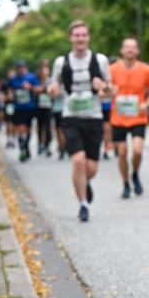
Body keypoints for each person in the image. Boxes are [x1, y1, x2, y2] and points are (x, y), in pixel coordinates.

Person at [48, 20, 111, 222]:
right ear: (71, 38)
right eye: (77, 35)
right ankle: (83, 205)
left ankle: (83, 182)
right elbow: (52, 86)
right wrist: (53, 90)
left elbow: (110, 91)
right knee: (78, 160)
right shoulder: (61, 62)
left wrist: (103, 87)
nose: (80, 38)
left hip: (93, 117)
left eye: (84, 35)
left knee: (91, 167)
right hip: (70, 117)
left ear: (88, 37)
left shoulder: (100, 60)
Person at [109, 37, 149, 198]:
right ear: (122, 50)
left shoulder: (146, 70)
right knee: (122, 153)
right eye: (127, 47)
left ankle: (135, 173)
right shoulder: (112, 69)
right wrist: (109, 91)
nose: (130, 50)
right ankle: (126, 183)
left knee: (137, 150)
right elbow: (105, 92)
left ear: (137, 51)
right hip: (118, 118)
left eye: (133, 47)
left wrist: (147, 104)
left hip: (138, 117)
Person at [9, 60, 40, 162]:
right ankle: (22, 148)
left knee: (28, 129)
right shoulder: (14, 79)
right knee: (21, 128)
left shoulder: (31, 77)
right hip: (19, 108)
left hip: (30, 107)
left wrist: (30, 87)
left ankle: (26, 147)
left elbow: (39, 89)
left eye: (23, 67)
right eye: (19, 68)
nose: (21, 69)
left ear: (26, 67)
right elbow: (10, 91)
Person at [35, 61, 54, 158]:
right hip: (39, 106)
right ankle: (40, 144)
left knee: (48, 126)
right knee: (39, 126)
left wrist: (42, 90)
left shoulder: (50, 80)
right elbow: (34, 91)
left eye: (46, 72)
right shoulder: (36, 80)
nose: (45, 74)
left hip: (48, 106)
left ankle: (47, 146)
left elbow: (51, 91)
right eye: (43, 72)